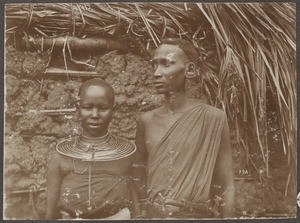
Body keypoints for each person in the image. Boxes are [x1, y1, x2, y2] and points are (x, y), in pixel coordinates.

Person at [134, 38, 235, 219]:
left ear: (189, 70)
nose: (157, 72)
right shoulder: (146, 121)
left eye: (167, 64)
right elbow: (138, 174)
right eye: (154, 65)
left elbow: (226, 182)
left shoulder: (212, 118)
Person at [45, 78, 141, 219]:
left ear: (113, 110)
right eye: (88, 107)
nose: (95, 115)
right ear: (78, 109)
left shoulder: (126, 154)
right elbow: (50, 210)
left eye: (103, 108)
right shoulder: (61, 156)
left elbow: (135, 197)